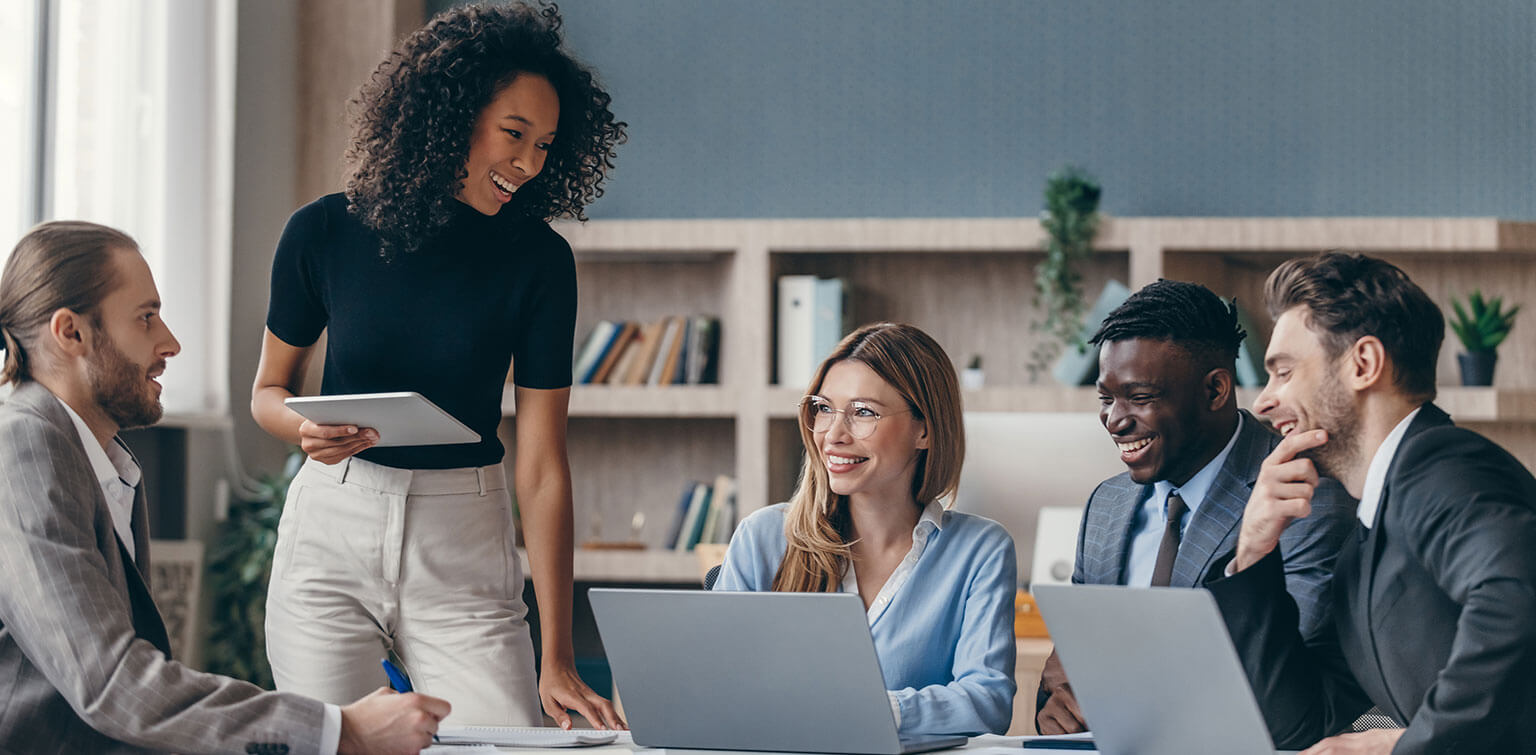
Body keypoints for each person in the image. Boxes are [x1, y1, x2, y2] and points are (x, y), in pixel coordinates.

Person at [249, 3, 625, 729]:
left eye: (546, 144)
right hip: (332, 525)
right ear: (449, 113)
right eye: (514, 134)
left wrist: (558, 654)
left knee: (507, 739)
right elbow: (269, 391)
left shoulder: (540, 261)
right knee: (338, 743)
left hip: (464, 538)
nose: (529, 163)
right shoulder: (322, 231)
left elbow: (543, 464)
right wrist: (301, 432)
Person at [0, 221, 449, 754]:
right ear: (70, 332)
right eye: (146, 318)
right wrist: (341, 731)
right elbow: (110, 683)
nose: (170, 342)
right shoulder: (23, 447)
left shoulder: (99, 459)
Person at [1209, 252, 1536, 753]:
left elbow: (1518, 600)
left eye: (1284, 372)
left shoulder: (1442, 463)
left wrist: (1408, 747)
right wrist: (1254, 550)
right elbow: (1299, 724)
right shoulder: (1362, 546)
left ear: (1363, 364)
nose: (1262, 401)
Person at [1036, 280, 1356, 735]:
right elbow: (1065, 675)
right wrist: (1056, 710)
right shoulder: (1106, 505)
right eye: (1106, 399)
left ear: (1215, 390)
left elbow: (1289, 689)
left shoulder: (1303, 495)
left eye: (1139, 397)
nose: (1114, 420)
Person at [714, 322, 1017, 736]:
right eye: (823, 408)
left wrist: (861, 709)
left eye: (863, 413)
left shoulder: (980, 549)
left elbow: (987, 703)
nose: (833, 435)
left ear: (924, 430)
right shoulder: (764, 537)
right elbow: (716, 690)